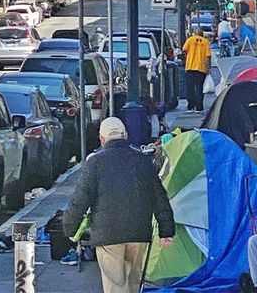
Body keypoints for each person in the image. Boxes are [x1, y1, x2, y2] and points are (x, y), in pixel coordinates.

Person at [63, 117, 175, 293]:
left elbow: (79, 199)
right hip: (139, 232)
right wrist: (166, 230)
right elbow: (159, 196)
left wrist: (70, 228)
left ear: (102, 139)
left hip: (107, 234)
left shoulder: (95, 163)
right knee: (134, 283)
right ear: (126, 136)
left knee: (115, 285)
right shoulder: (143, 160)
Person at [182, 28, 211, 111]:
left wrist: (188, 57)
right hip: (201, 68)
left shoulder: (190, 40)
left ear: (195, 33)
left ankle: (191, 105)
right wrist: (208, 67)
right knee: (199, 88)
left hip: (190, 67)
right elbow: (208, 56)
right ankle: (199, 106)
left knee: (190, 88)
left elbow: (184, 49)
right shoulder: (206, 42)